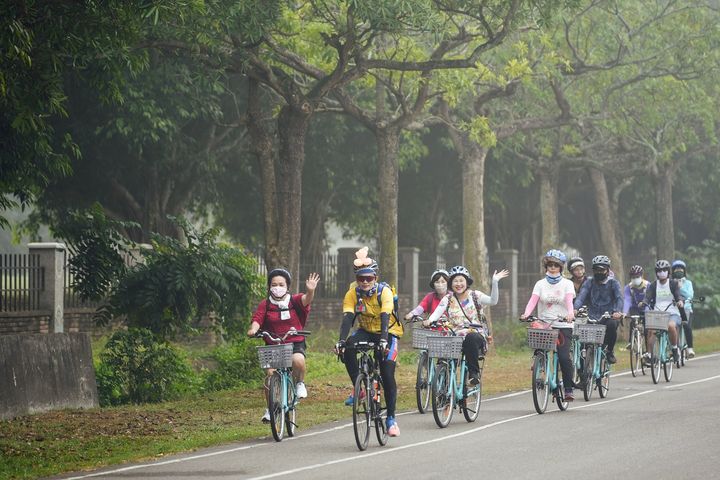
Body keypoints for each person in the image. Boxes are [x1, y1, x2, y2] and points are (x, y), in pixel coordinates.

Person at [336, 248, 403, 437]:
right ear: (356, 279)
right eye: (360, 278)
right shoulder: (352, 294)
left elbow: (385, 316)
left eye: (369, 278)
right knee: (348, 347)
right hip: (365, 330)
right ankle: (361, 389)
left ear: (375, 277)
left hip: (387, 331)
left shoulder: (385, 292)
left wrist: (383, 341)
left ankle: (391, 419)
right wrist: (340, 341)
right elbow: (348, 319)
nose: (365, 282)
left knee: (387, 373)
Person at [248, 268, 320, 423]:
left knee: (298, 361)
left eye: (281, 284)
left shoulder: (294, 301)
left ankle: (299, 382)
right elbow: (257, 319)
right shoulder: (265, 304)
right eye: (274, 284)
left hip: (294, 342)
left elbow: (307, 299)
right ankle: (271, 408)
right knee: (270, 376)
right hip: (273, 344)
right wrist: (253, 330)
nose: (277, 287)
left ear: (287, 286)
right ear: (269, 287)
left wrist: (311, 291)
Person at [426, 265, 509, 385]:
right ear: (451, 283)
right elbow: (436, 314)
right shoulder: (448, 299)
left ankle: (473, 374)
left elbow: (493, 301)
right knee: (443, 354)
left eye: (461, 280)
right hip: (455, 336)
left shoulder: (475, 296)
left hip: (475, 335)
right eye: (455, 281)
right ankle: (443, 390)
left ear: (467, 282)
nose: (458, 284)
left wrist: (495, 282)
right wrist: (430, 320)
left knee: (471, 338)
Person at [520, 249, 576, 401]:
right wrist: (526, 313)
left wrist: (570, 314)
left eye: (556, 265)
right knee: (537, 337)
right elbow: (533, 301)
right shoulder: (540, 284)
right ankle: (540, 362)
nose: (552, 268)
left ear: (561, 267)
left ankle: (568, 389)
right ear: (546, 266)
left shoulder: (567, 283)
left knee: (564, 358)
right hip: (545, 323)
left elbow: (569, 301)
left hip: (563, 325)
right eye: (550, 265)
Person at [573, 254, 623, 364]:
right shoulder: (589, 282)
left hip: (608, 316)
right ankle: (583, 375)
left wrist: (617, 311)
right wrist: (575, 309)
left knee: (612, 325)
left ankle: (609, 351)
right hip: (591, 316)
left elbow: (619, 298)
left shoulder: (613, 283)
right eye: (596, 270)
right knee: (582, 344)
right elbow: (581, 296)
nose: (599, 272)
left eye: (602, 270)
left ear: (608, 270)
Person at [643, 260, 685, 362]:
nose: (662, 272)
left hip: (672, 312)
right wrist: (644, 302)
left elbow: (677, 294)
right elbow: (648, 296)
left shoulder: (673, 283)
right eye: (659, 270)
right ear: (656, 272)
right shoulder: (653, 285)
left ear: (668, 271)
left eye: (664, 270)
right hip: (658, 313)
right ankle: (649, 354)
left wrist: (679, 301)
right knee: (651, 330)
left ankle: (675, 349)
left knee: (671, 326)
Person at [623, 265, 650, 360]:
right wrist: (624, 313)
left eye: (637, 276)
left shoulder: (648, 285)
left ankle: (648, 351)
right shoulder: (628, 287)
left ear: (642, 276)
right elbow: (627, 300)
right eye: (633, 277)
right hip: (634, 308)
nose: (635, 279)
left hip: (646, 307)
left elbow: (651, 298)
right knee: (633, 322)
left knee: (647, 328)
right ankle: (631, 342)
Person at [672, 259, 695, 358]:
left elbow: (690, 295)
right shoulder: (670, 282)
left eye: (681, 268)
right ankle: (674, 348)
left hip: (686, 308)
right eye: (676, 269)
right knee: (673, 327)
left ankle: (690, 348)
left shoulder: (688, 283)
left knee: (687, 326)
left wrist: (680, 287)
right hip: (674, 308)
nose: (679, 270)